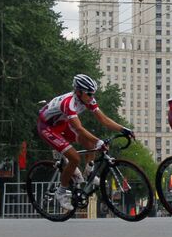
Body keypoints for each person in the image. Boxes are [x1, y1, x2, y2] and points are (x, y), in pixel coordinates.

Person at [37, 74, 133, 210]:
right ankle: (61, 192)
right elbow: (79, 128)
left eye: (93, 94)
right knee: (75, 158)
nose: (92, 98)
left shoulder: (87, 99)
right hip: (47, 127)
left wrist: (124, 129)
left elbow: (103, 119)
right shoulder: (68, 103)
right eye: (89, 94)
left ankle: (88, 173)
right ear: (78, 92)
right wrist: (99, 141)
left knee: (90, 144)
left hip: (62, 124)